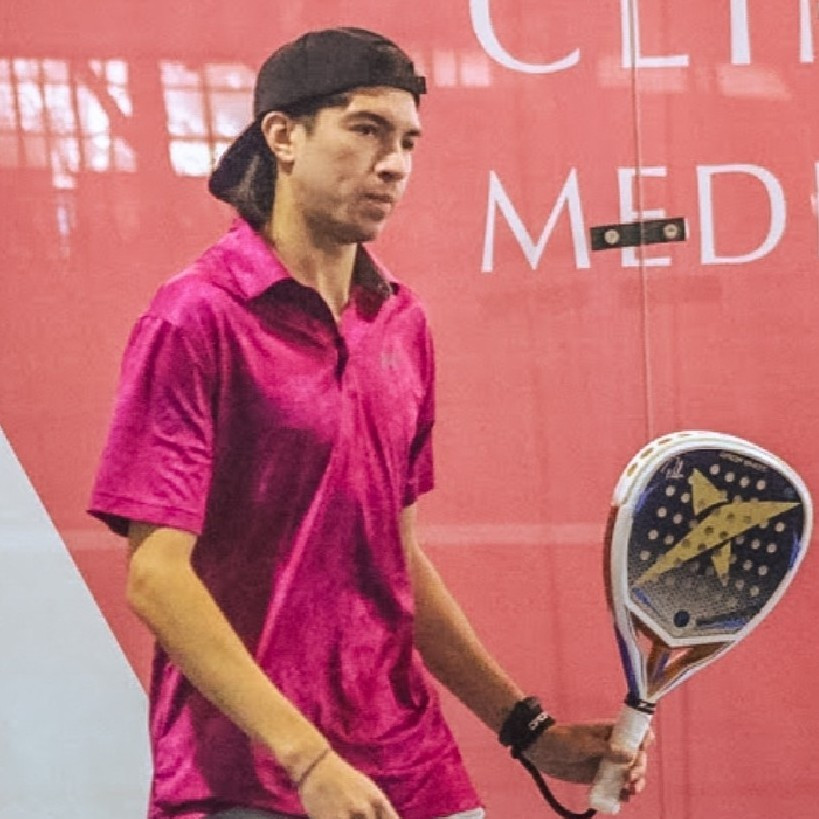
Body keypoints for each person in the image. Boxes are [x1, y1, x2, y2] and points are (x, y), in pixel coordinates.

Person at [89, 26, 649, 819]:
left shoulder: (400, 324)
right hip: (250, 779)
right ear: (283, 136)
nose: (393, 162)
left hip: (410, 762)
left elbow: (394, 559)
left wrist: (529, 730)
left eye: (407, 141)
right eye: (366, 129)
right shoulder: (194, 318)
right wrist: (308, 758)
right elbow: (156, 576)